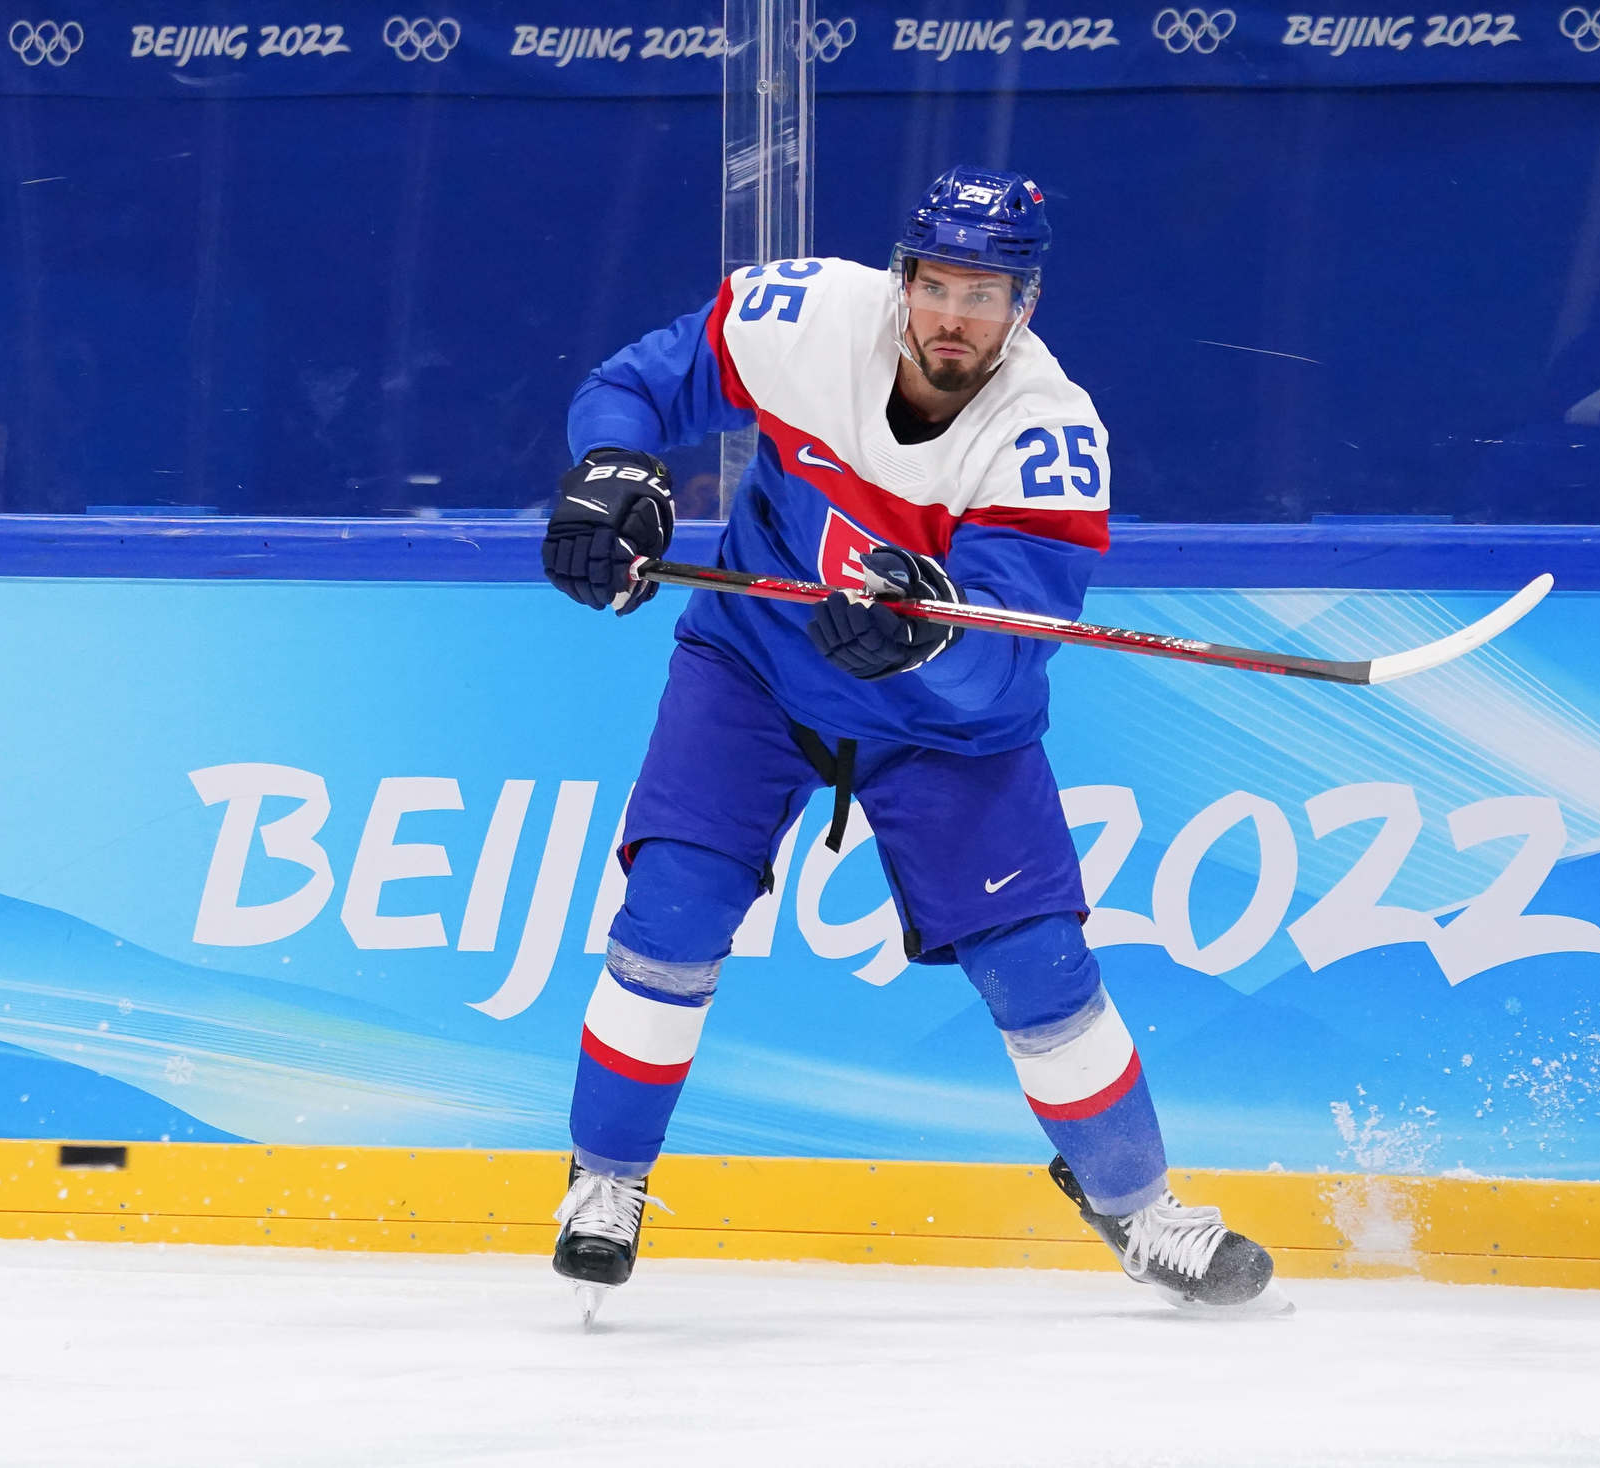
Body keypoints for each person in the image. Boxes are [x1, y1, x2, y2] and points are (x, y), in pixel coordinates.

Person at [539, 166, 1283, 1319]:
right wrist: (611, 465)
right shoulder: (804, 318)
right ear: (901, 280)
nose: (952, 317)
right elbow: (631, 386)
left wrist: (928, 639)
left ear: (1023, 307)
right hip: (753, 665)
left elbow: (1006, 661)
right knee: (673, 906)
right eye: (936, 286)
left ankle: (1139, 1211)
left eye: (983, 297)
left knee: (1035, 964)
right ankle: (605, 1179)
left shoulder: (1046, 438)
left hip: (943, 728)